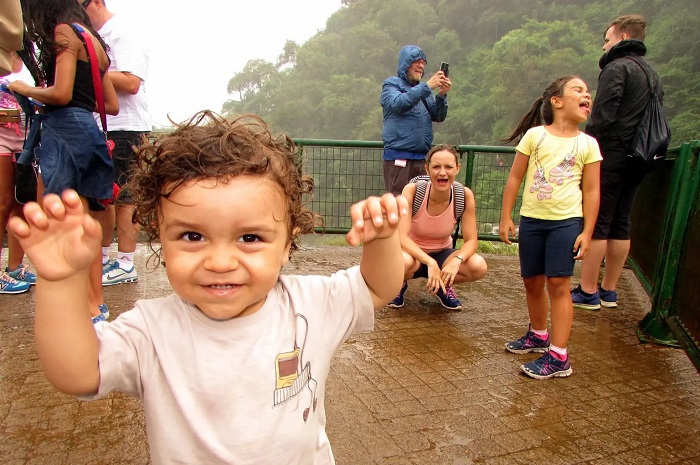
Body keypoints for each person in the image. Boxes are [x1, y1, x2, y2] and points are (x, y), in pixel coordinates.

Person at [9, 111, 409, 464]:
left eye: (250, 238)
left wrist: (382, 240)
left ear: (288, 243)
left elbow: (378, 286)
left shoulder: (311, 303)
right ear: (159, 239)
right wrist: (59, 280)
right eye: (192, 236)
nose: (219, 262)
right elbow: (78, 374)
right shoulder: (151, 329)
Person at [9, 0, 118, 322]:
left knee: (65, 219)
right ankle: (95, 303)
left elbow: (60, 94)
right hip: (89, 130)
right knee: (87, 221)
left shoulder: (64, 33)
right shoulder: (93, 39)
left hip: (65, 130)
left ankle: (82, 306)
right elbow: (110, 104)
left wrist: (23, 88)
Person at [499, 76, 602, 380]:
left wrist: (587, 231)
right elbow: (515, 178)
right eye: (578, 90)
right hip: (532, 220)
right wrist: (507, 216)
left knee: (558, 285)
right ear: (556, 101)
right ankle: (538, 335)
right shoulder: (535, 136)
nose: (587, 95)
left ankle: (559, 356)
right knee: (531, 280)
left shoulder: (587, 144)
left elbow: (593, 191)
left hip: (566, 223)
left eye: (587, 92)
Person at [571, 14, 663, 311]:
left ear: (623, 38)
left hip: (611, 156)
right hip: (640, 157)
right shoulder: (650, 72)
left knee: (598, 222)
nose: (603, 48)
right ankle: (609, 290)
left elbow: (603, 116)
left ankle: (587, 291)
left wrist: (588, 149)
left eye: (607, 40)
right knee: (621, 222)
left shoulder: (618, 67)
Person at [82, 0, 152, 287]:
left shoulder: (122, 32)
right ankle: (103, 257)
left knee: (125, 197)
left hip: (126, 127)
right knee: (102, 196)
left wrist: (84, 70)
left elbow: (131, 81)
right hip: (100, 126)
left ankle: (125, 263)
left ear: (96, 2)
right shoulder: (91, 35)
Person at [388, 144, 487, 311]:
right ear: (427, 169)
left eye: (448, 167)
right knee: (400, 263)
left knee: (478, 266)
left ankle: (443, 284)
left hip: (443, 253)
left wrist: (457, 260)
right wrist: (430, 262)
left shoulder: (464, 195)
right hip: (412, 254)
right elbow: (401, 238)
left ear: (457, 168)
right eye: (436, 167)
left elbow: (471, 241)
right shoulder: (413, 191)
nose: (442, 172)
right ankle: (399, 283)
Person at [380, 45, 450, 196]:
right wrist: (427, 87)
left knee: (422, 205)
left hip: (422, 159)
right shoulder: (391, 85)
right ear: (405, 64)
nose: (421, 65)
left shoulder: (423, 91)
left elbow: (438, 116)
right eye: (416, 61)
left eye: (423, 62)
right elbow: (397, 104)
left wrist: (442, 95)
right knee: (400, 204)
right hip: (399, 158)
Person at [0, 52, 36, 293]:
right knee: (2, 201)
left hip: (26, 137)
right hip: (1, 137)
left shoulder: (31, 60)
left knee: (21, 202)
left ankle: (15, 266)